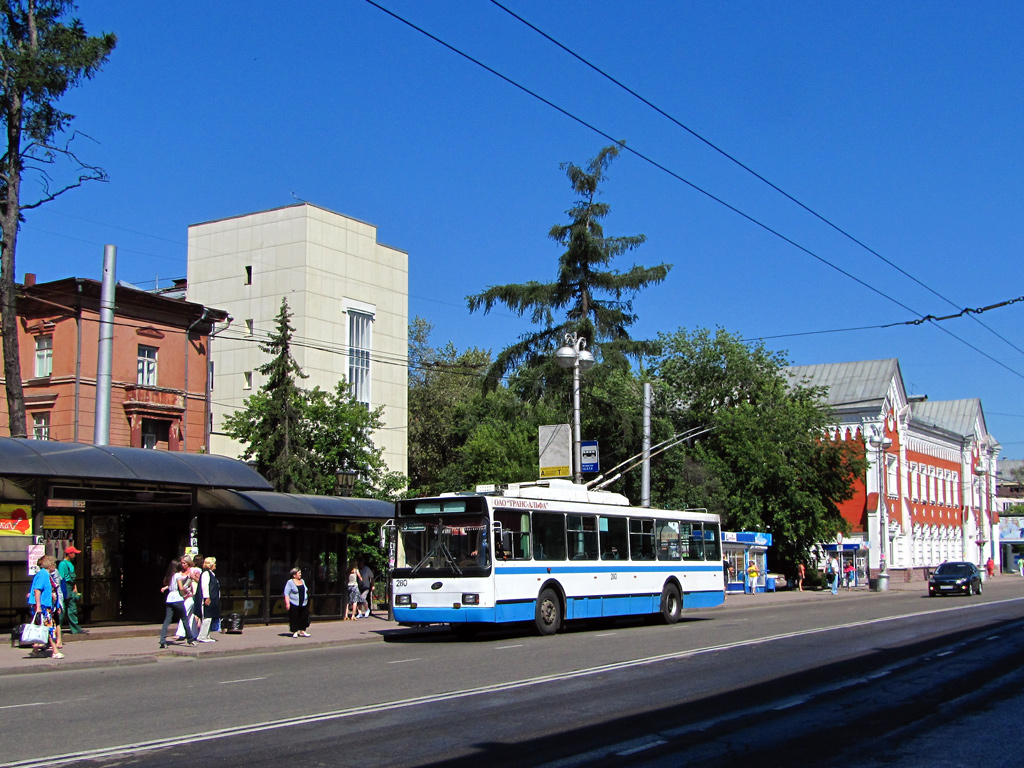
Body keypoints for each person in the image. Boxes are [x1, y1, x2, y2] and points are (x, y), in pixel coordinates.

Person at [27, 555, 63, 659]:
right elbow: (37, 590)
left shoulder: (46, 575)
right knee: (48, 627)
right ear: (50, 565)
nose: (55, 566)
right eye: (54, 564)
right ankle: (55, 651)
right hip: (43, 606)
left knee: (41, 627)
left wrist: (56, 605)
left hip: (46, 606)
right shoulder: (43, 574)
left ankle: (35, 651)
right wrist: (38, 606)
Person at [160, 557, 197, 648]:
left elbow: (170, 586)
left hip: (169, 599)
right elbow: (181, 588)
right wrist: (186, 590)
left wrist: (165, 588)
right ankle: (190, 639)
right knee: (184, 619)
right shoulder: (177, 575)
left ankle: (162, 640)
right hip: (177, 599)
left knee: (167, 620)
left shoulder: (170, 575)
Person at [57, 545, 83, 634]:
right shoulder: (62, 564)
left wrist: (75, 588)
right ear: (70, 554)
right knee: (62, 609)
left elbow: (73, 579)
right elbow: (61, 578)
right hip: (65, 588)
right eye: (74, 553)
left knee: (72, 608)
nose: (75, 555)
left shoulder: (70, 564)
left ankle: (75, 628)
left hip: (70, 587)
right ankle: (57, 629)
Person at [195, 557, 220, 643]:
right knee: (207, 618)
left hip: (213, 599)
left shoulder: (211, 574)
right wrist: (207, 597)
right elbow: (204, 586)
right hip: (207, 600)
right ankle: (202, 636)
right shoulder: (206, 573)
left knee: (209, 617)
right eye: (214, 563)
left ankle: (206, 635)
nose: (215, 565)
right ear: (211, 565)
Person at [284, 567, 311, 637]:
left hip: (304, 603)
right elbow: (286, 593)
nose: (300, 574)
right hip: (294, 603)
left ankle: (303, 631)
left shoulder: (302, 581)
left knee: (304, 617)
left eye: (300, 573)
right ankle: (295, 631)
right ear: (294, 575)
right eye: (299, 573)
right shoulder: (290, 582)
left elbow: (305, 590)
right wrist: (287, 603)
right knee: (294, 617)